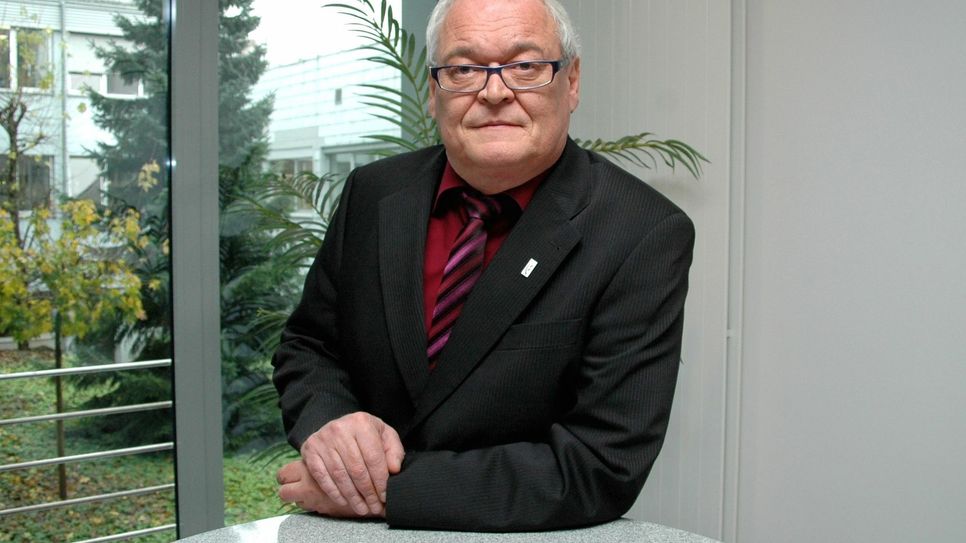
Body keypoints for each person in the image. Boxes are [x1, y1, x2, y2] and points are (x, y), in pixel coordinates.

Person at [271, 0, 695, 532]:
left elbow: (600, 464)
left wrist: (390, 490)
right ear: (434, 91)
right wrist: (332, 424)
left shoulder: (641, 232)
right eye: (464, 69)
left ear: (571, 83)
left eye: (526, 66)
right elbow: (309, 345)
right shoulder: (374, 194)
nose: (494, 92)